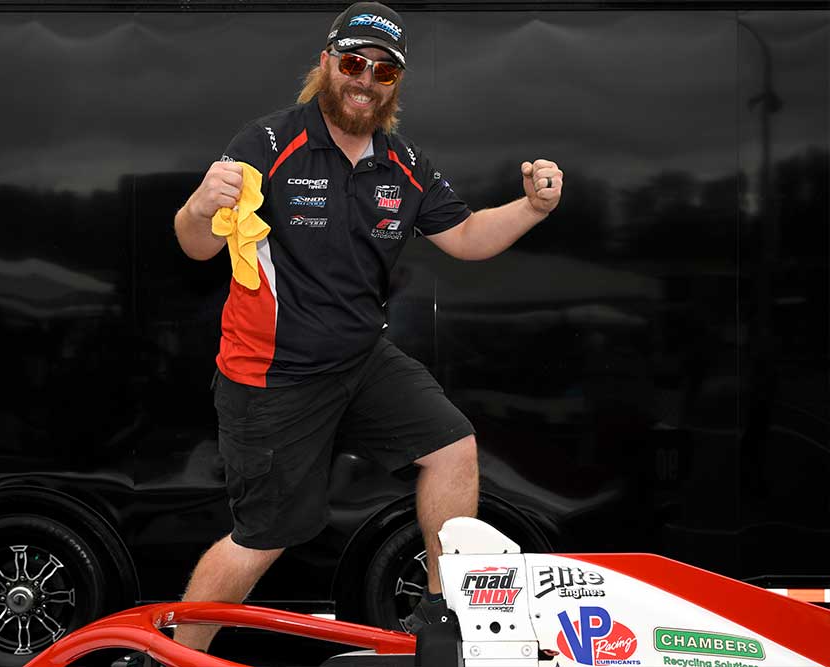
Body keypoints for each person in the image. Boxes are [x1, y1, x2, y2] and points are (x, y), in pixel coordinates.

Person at [172, 1, 562, 650]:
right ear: (328, 63)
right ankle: (177, 658)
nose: (365, 79)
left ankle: (442, 619)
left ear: (395, 82)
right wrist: (196, 207)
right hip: (273, 374)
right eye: (354, 62)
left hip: (360, 359)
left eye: (384, 70)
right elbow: (196, 245)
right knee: (263, 538)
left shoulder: (404, 162)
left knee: (453, 449)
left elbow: (466, 236)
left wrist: (532, 207)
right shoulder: (267, 143)